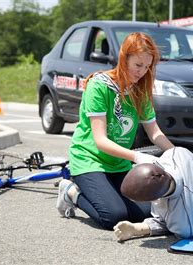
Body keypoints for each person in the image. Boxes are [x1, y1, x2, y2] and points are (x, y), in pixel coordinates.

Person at [56, 32, 175, 230]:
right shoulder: (99, 86)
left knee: (145, 214)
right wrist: (137, 157)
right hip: (89, 160)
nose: (142, 72)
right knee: (113, 216)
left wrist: (176, 154)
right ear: (124, 57)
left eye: (147, 67)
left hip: (118, 163)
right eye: (138, 65)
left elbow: (155, 133)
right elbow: (100, 140)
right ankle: (70, 191)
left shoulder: (140, 90)